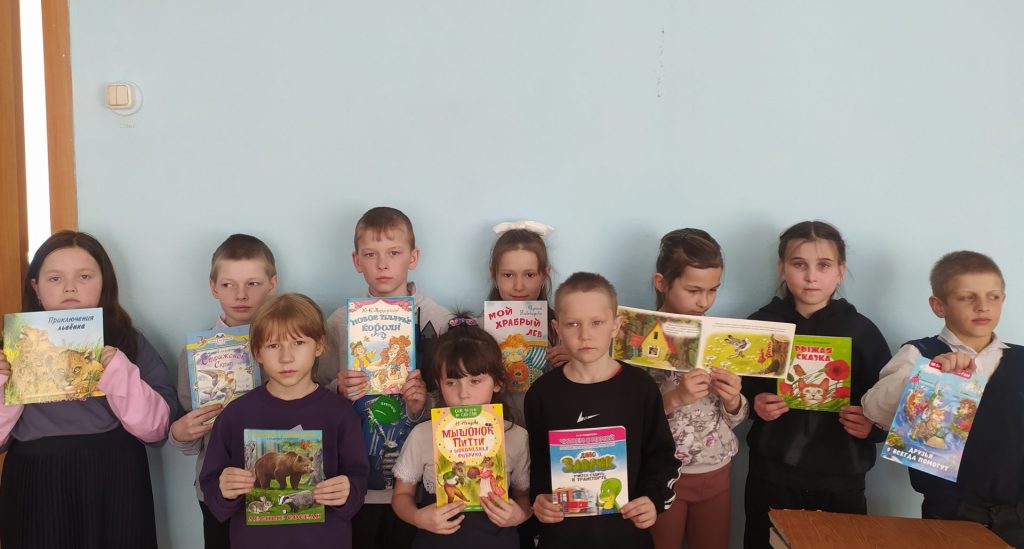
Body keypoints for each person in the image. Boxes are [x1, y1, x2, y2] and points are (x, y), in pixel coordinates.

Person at [0, 230, 178, 548]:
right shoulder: (8, 349)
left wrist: (119, 373)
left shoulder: (129, 342)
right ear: (36, 287)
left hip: (116, 474)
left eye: (84, 276)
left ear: (103, 282)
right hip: (35, 477)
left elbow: (158, 429)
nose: (70, 288)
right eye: (55, 278)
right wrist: (4, 382)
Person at [742, 221, 891, 548]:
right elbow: (738, 393)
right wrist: (755, 404)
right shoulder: (761, 325)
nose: (811, 276)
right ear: (782, 269)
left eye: (823, 265)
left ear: (840, 271)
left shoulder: (861, 332)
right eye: (799, 264)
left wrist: (872, 427)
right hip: (772, 474)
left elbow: (888, 401)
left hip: (841, 476)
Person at [862, 251, 1024, 547]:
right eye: (967, 297)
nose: (983, 306)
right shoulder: (919, 353)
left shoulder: (1021, 359)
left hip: (1018, 514)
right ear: (939, 305)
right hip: (949, 511)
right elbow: (874, 411)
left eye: (993, 297)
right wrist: (928, 375)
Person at [318, 206, 454, 548]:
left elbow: (459, 399)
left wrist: (421, 404)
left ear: (413, 257)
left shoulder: (440, 321)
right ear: (356, 260)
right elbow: (315, 395)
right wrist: (338, 389)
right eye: (370, 254)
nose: (382, 264)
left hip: (421, 486)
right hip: (357, 484)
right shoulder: (338, 323)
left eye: (394, 253)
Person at [525, 272, 680, 548]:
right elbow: (536, 467)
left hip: (626, 536)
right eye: (572, 324)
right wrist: (539, 500)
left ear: (615, 325)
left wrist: (653, 500)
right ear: (557, 328)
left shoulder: (640, 388)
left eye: (597, 322)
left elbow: (662, 456)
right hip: (562, 538)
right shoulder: (541, 394)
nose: (585, 334)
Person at [200, 293, 368, 548]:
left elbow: (358, 479)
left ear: (319, 345)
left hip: (324, 541)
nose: (286, 357)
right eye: (273, 345)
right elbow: (212, 486)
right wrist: (225, 491)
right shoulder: (235, 415)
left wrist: (347, 491)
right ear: (257, 352)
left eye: (298, 342)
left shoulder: (341, 413)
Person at [169, 233, 278, 548]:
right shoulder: (195, 354)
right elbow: (190, 435)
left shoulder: (291, 346)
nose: (241, 295)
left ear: (272, 283)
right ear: (213, 286)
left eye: (253, 283)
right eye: (229, 284)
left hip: (276, 479)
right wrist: (180, 433)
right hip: (219, 487)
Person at [645, 229, 747, 549]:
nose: (704, 301)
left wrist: (733, 400)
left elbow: (733, 418)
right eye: (693, 290)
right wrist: (675, 398)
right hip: (661, 473)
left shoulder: (722, 339)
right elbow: (630, 417)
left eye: (713, 290)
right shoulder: (637, 339)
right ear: (661, 283)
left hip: (716, 470)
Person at [392, 316, 531, 548]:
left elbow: (524, 496)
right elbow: (401, 496)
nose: (463, 393)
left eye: (475, 381)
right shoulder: (422, 434)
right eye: (451, 382)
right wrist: (418, 517)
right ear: (439, 383)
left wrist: (520, 515)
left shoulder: (516, 436)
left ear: (497, 382)